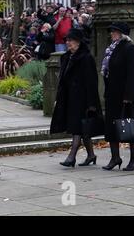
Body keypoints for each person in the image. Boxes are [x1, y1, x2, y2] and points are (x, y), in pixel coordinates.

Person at [50, 28, 103, 167]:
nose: (68, 43)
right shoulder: (66, 57)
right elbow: (62, 80)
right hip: (69, 98)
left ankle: (71, 156)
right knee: (81, 128)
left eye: (71, 40)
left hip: (82, 99)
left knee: (77, 128)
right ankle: (91, 155)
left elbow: (92, 82)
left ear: (79, 42)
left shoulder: (86, 58)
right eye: (67, 40)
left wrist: (92, 104)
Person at [101, 22, 134, 171]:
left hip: (128, 94)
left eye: (115, 31)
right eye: (111, 31)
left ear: (122, 34)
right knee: (112, 126)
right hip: (113, 94)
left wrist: (128, 96)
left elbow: (132, 73)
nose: (112, 33)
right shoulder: (111, 49)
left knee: (131, 127)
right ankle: (115, 158)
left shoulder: (130, 48)